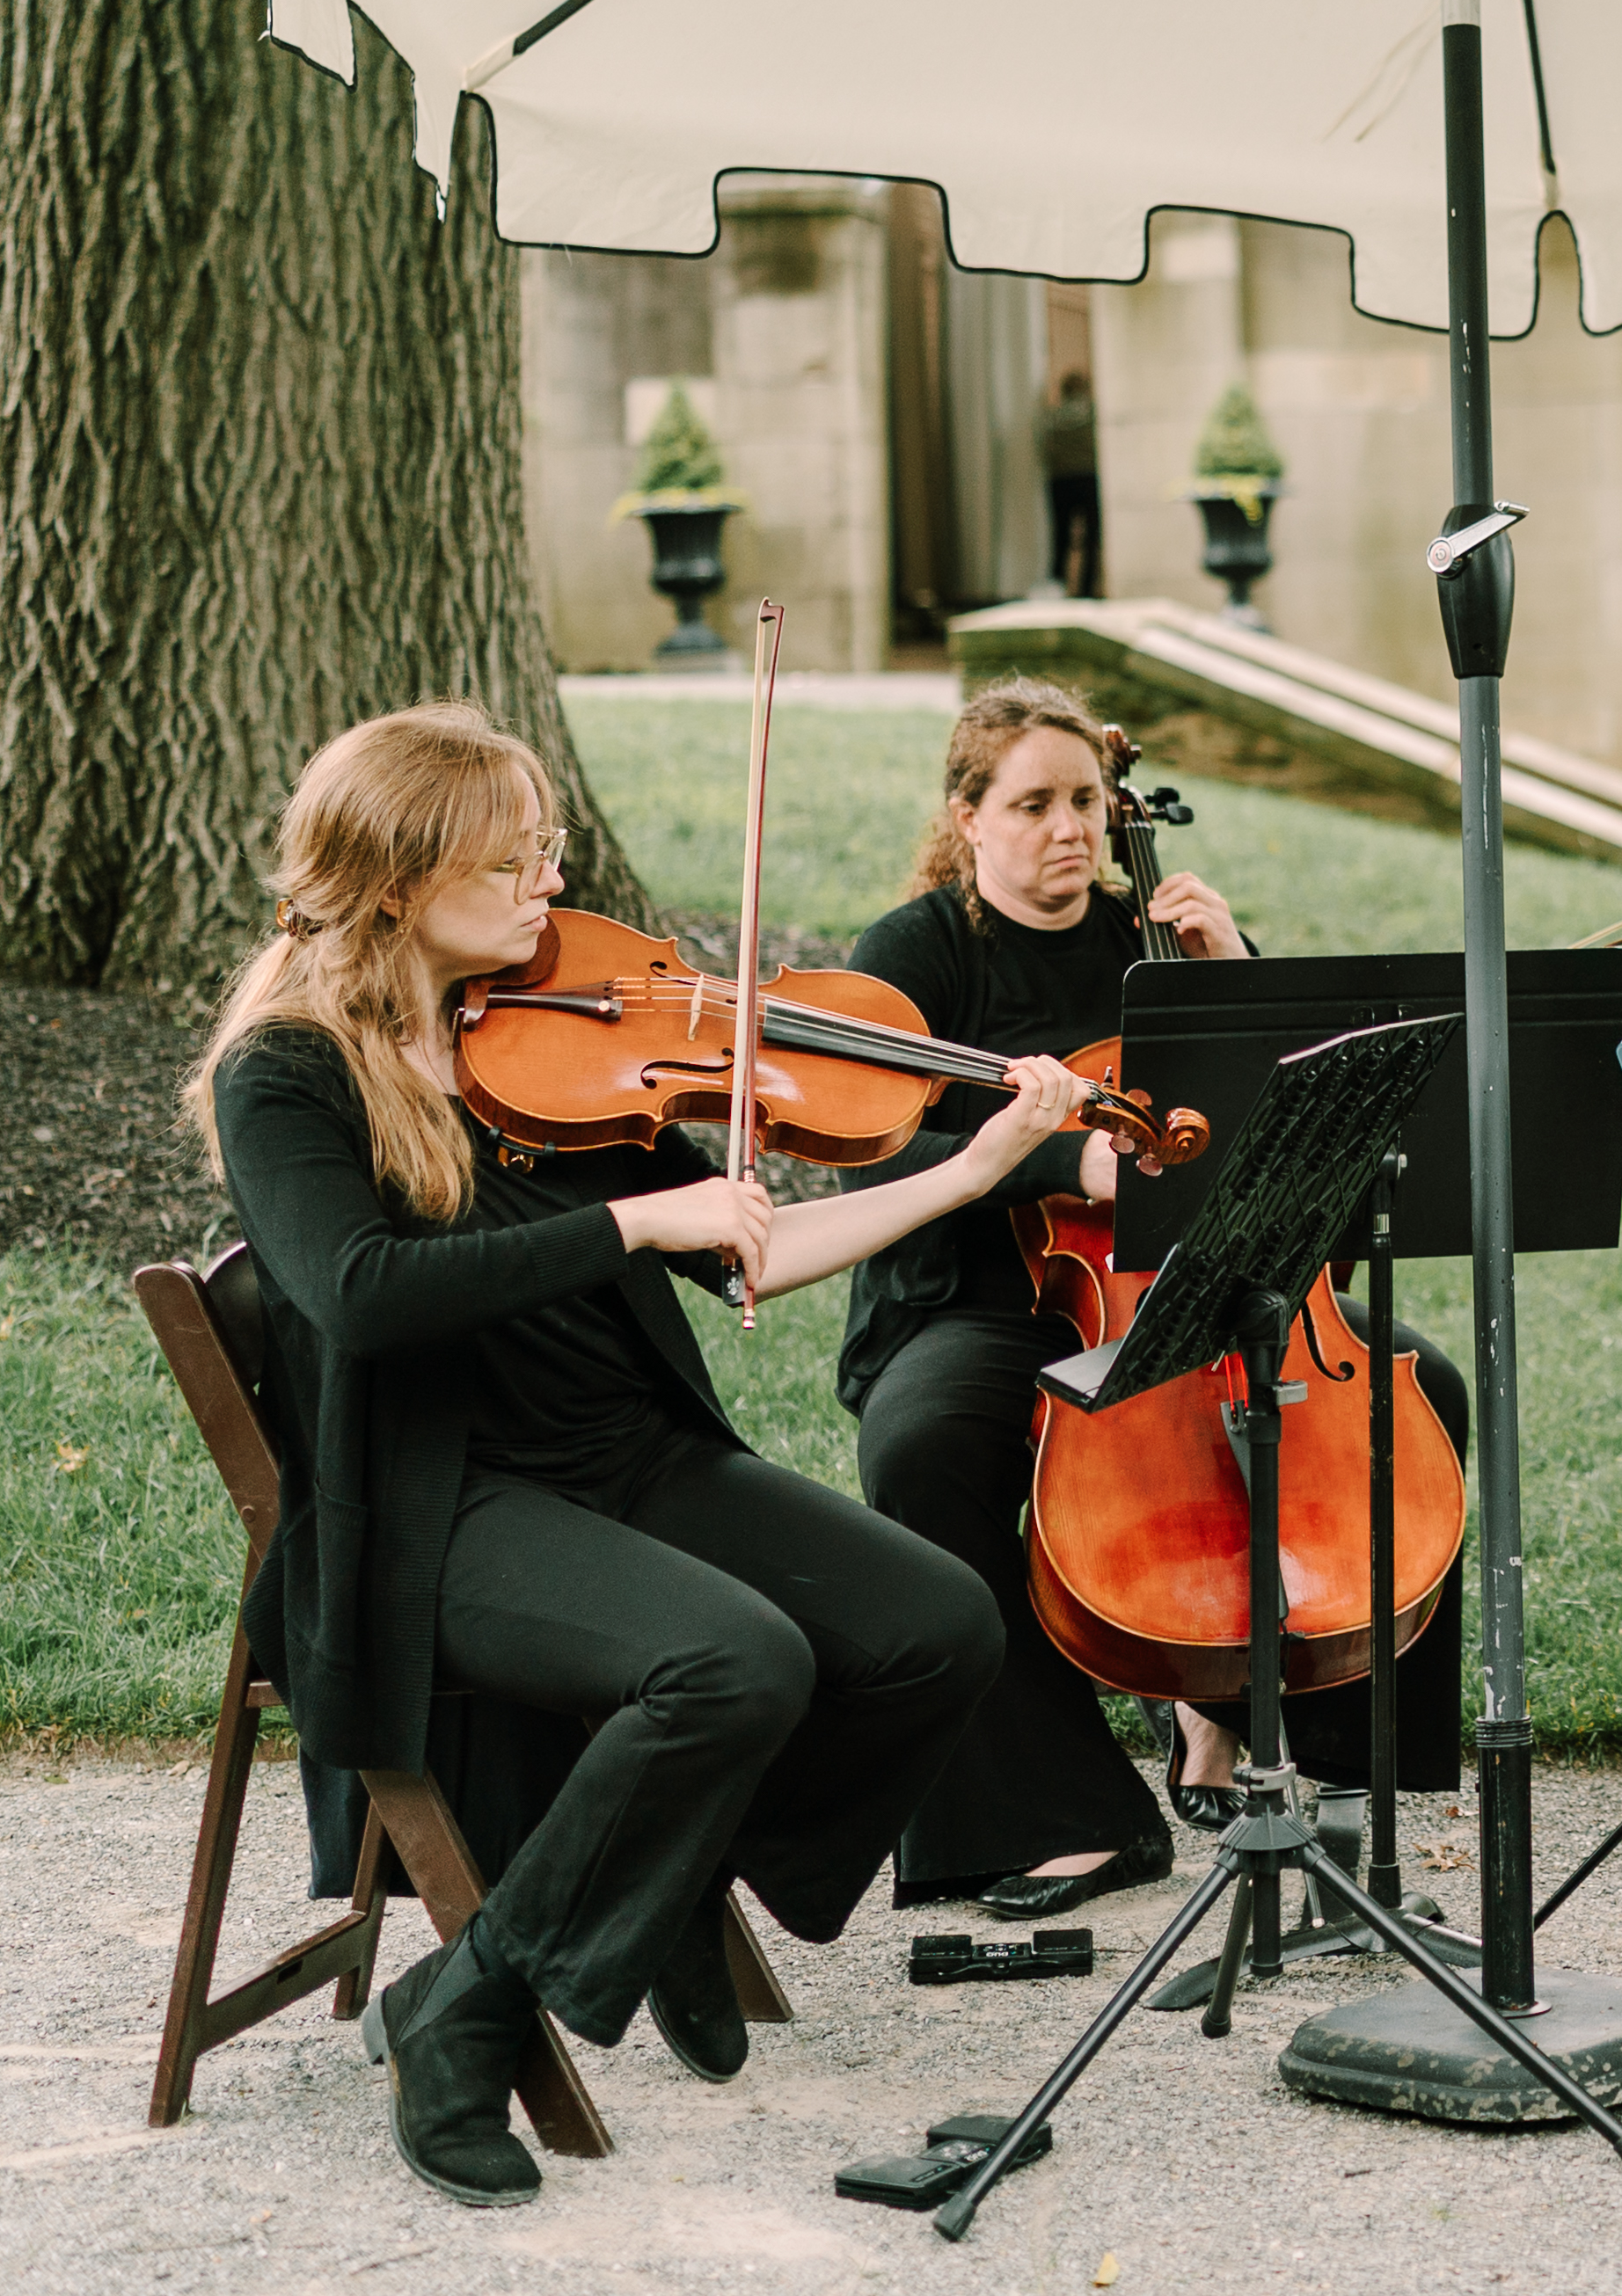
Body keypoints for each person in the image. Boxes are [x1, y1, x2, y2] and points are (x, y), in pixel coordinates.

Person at [196, 703, 1081, 2210]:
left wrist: (973, 1168)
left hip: (623, 1456)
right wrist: (631, 1222)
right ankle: (464, 2015)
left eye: (548, 853)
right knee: (733, 1665)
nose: (552, 887)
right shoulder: (288, 1071)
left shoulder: (546, 1042)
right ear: (403, 876)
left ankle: (671, 1873)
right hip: (438, 1501)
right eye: (517, 860)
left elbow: (752, 1249)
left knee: (935, 1627)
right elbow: (358, 1290)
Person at [835, 677, 1470, 1915]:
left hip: (1186, 1282)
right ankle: (1065, 1810)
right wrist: (1050, 1157)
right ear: (968, 815)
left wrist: (1235, 978)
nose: (1068, 826)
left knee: (1416, 1385)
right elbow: (861, 1148)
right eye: (1032, 802)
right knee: (921, 1447)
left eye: (1084, 798)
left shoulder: (1157, 938)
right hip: (978, 1294)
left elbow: (1292, 1117)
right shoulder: (916, 952)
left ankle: (1330, 1770)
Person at [1040, 368, 1103, 600]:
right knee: (1092, 538)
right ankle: (1087, 589)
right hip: (1088, 478)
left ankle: (1058, 583)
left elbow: (1045, 448)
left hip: (1060, 480)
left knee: (1061, 536)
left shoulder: (1053, 417)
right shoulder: (1095, 413)